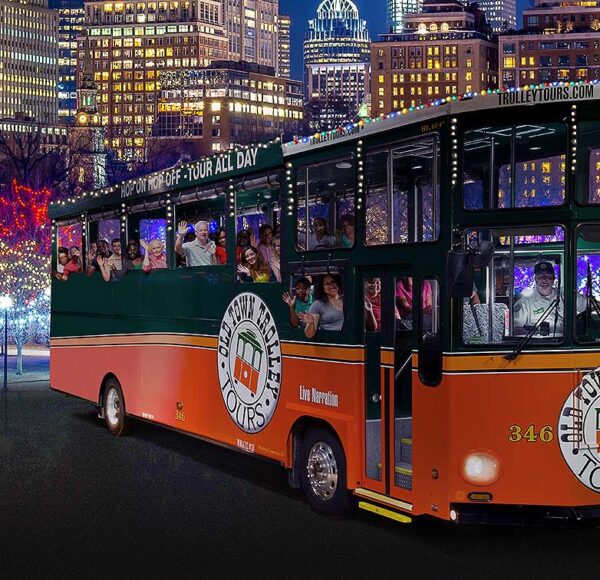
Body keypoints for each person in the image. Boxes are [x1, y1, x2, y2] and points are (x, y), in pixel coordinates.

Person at [514, 261, 585, 336]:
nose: (544, 280)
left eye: (548, 276)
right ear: (535, 279)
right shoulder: (525, 302)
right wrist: (536, 334)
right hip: (540, 344)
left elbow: (588, 305)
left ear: (554, 278)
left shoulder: (564, 295)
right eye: (540, 277)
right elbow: (515, 329)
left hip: (565, 342)